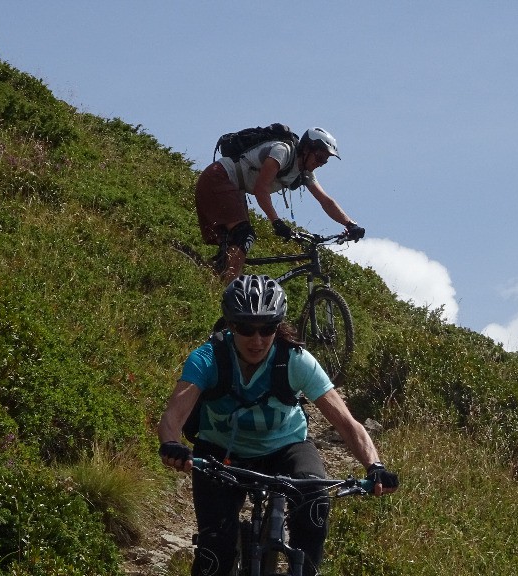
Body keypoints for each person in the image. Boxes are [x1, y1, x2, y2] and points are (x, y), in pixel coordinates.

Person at [157, 275, 397, 576]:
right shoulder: (208, 358)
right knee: (214, 552)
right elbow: (172, 416)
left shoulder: (295, 360)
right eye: (246, 328)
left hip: (286, 447)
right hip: (220, 450)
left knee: (314, 505)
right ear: (231, 325)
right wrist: (172, 444)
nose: (257, 340)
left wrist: (374, 466)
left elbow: (347, 423)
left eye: (267, 329)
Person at [195, 127, 367, 283]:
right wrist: (276, 222)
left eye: (325, 160)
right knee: (244, 235)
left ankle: (215, 277)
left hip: (233, 188)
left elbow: (325, 201)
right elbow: (260, 189)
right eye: (320, 157)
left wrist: (350, 224)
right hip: (218, 178)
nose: (321, 163)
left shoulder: (305, 172)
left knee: (236, 243)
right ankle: (225, 291)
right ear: (307, 149)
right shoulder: (282, 151)